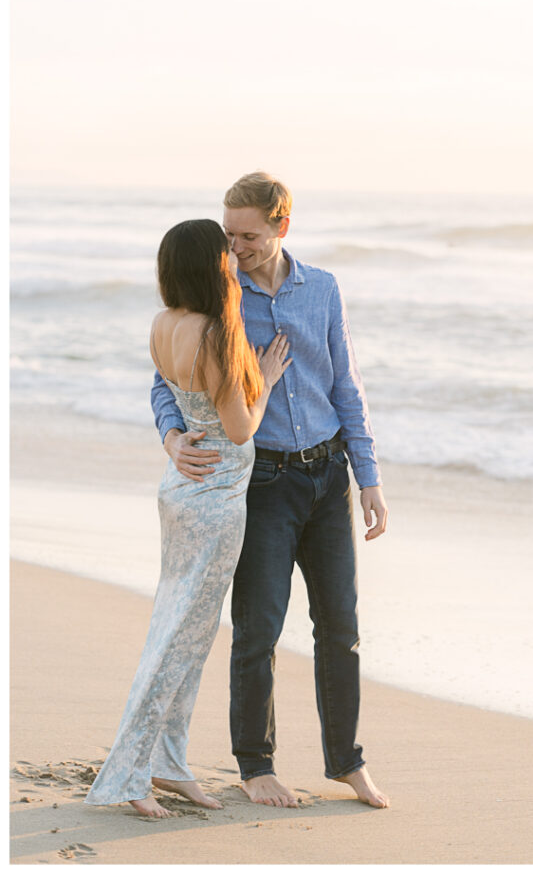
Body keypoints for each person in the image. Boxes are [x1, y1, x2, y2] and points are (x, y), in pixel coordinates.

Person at [151, 173, 390, 810]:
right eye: (227, 235)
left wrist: (368, 478)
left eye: (248, 235)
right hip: (262, 481)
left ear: (282, 225)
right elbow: (165, 378)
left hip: (329, 476)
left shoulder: (324, 290)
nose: (235, 248)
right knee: (258, 629)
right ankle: (256, 766)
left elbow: (348, 387)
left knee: (340, 626)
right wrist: (172, 436)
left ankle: (348, 763)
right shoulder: (217, 295)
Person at [86, 219, 291, 817]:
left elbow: (180, 399)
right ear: (210, 267)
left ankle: (170, 764)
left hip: (181, 490)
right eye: (226, 254)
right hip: (216, 498)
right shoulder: (216, 335)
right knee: (179, 642)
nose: (234, 261)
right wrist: (267, 381)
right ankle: (130, 776)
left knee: (183, 636)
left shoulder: (162, 324)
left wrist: (175, 437)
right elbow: (240, 427)